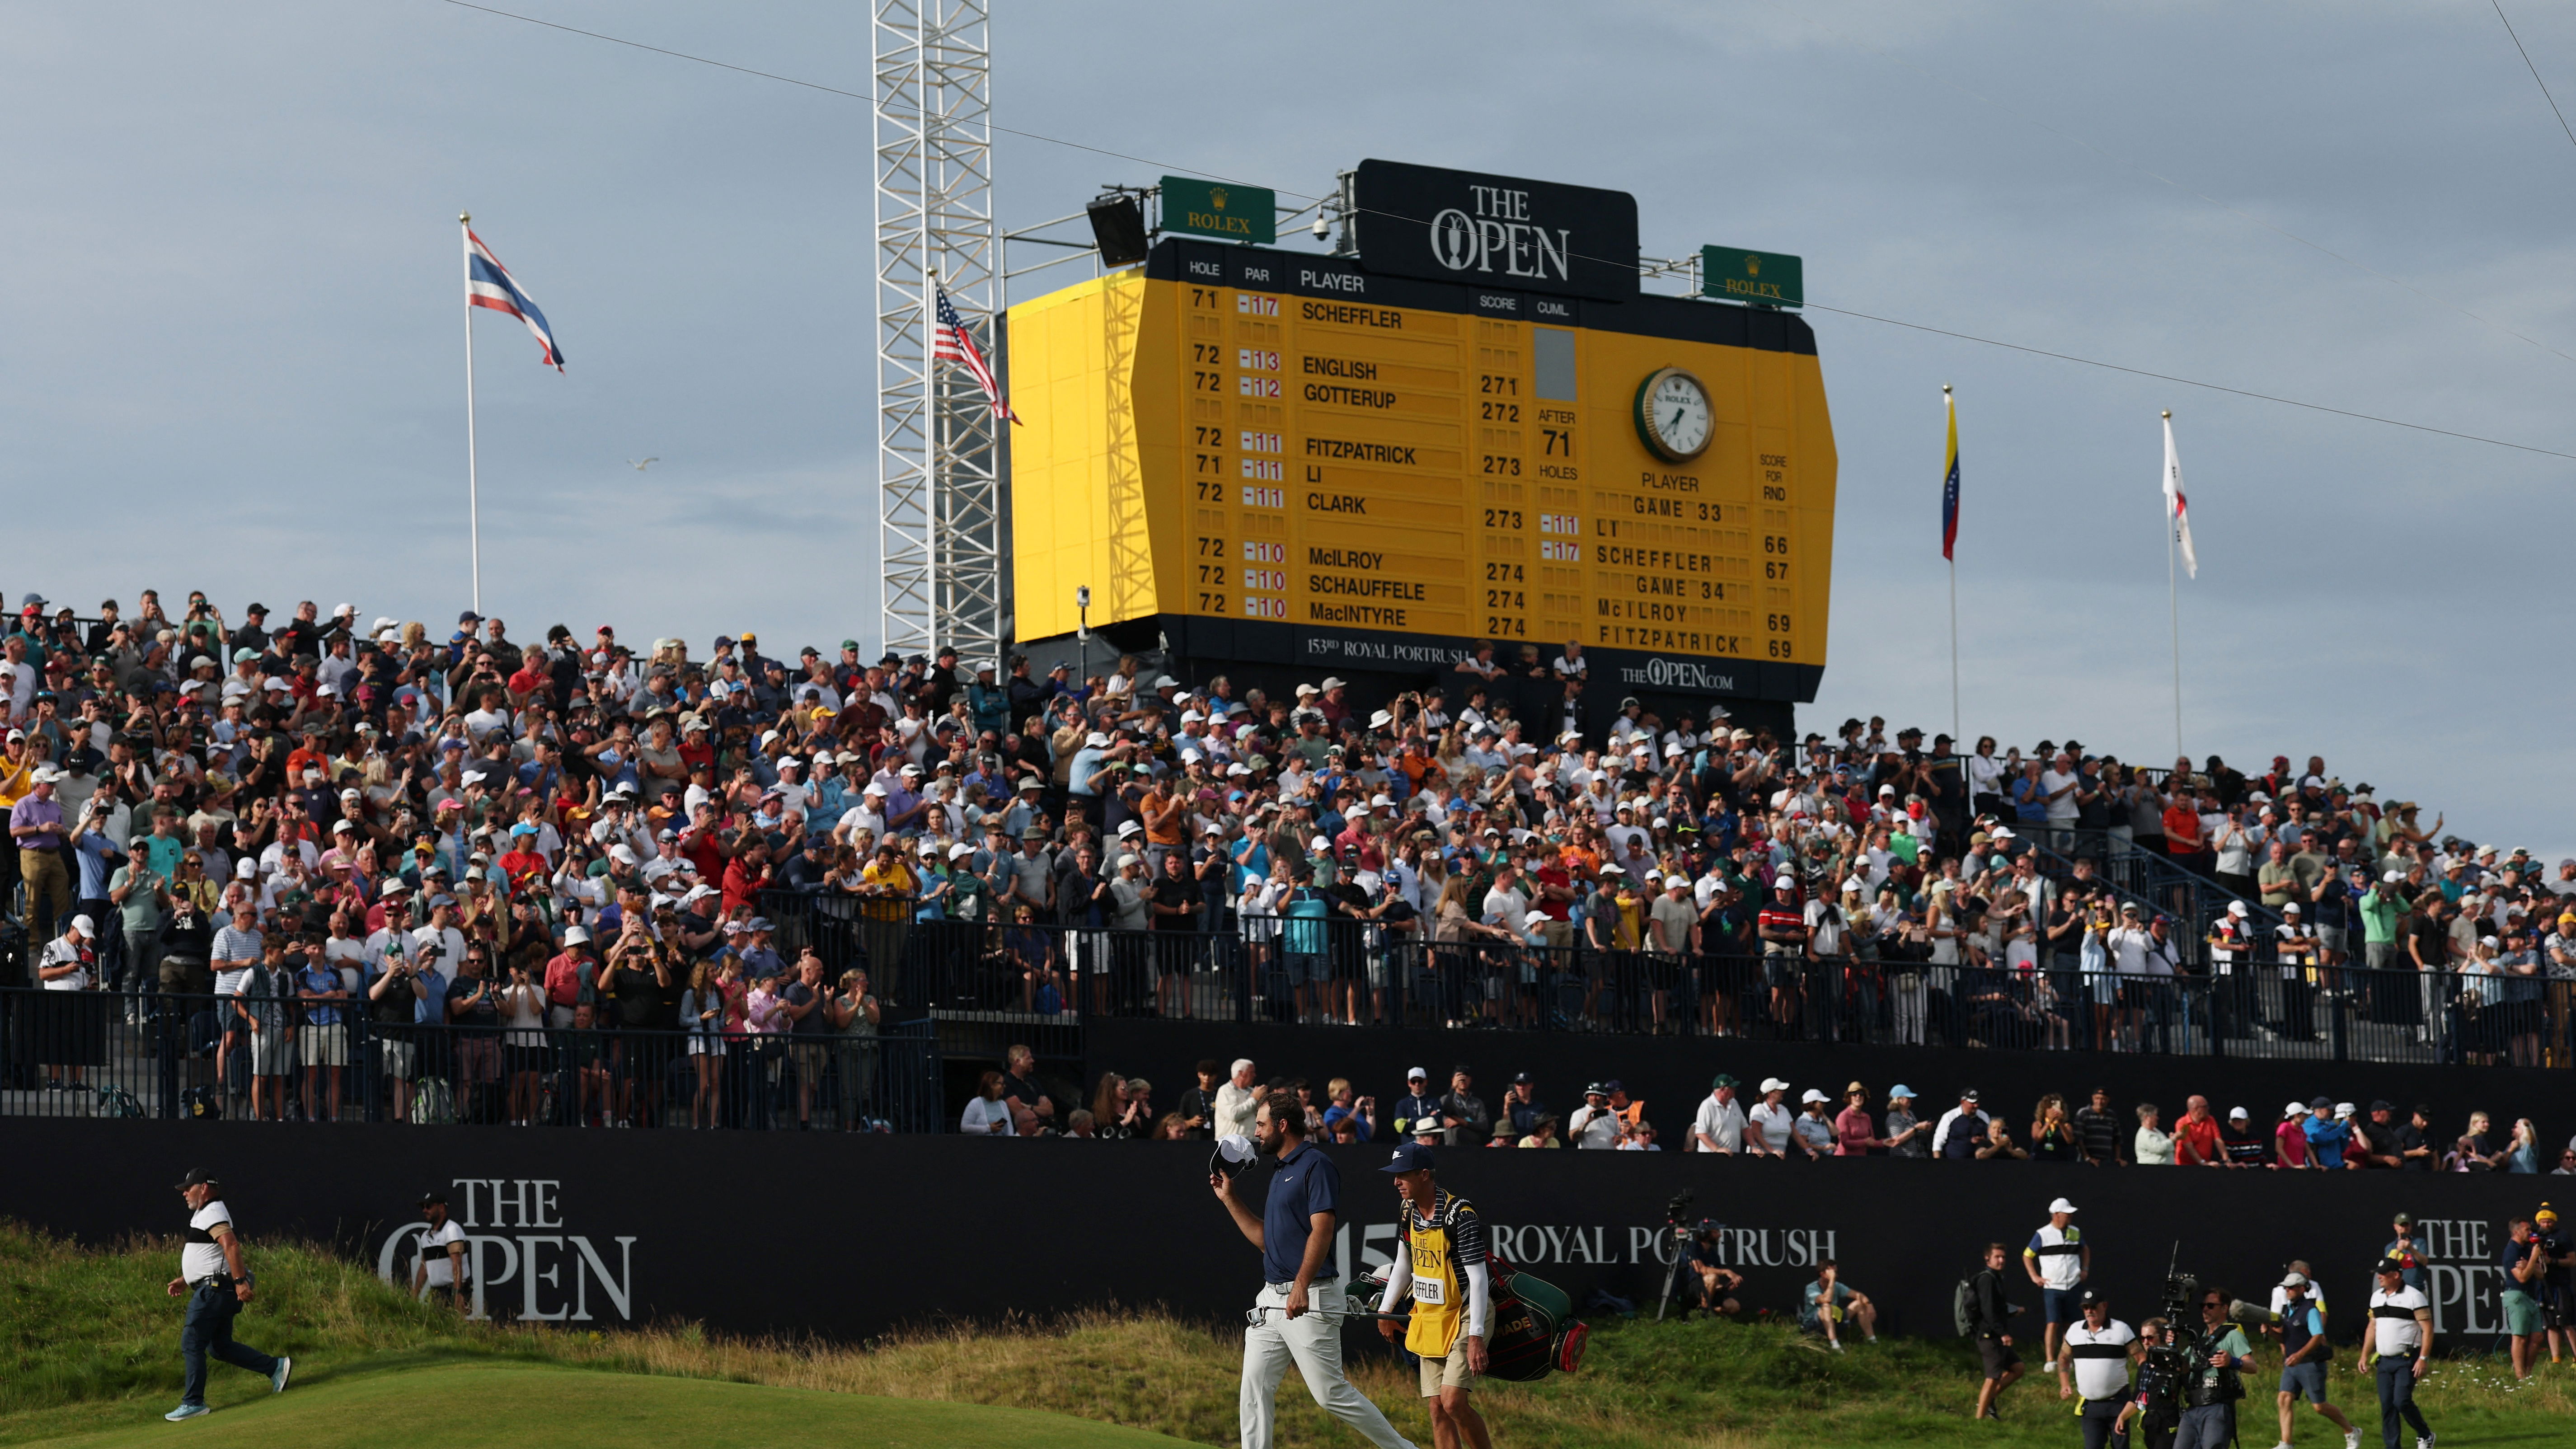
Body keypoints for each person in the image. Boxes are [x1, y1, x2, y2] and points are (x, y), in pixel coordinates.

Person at [1209, 1088, 1415, 1449]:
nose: (1255, 1132)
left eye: (1260, 1124)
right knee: (1255, 1388)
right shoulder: (1279, 1170)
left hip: (1311, 1296)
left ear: (1282, 1124)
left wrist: (1301, 1285)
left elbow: (1323, 1227)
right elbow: (1266, 1241)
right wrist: (1230, 1199)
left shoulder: (1315, 1164)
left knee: (1329, 1393)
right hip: (1272, 1299)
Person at [1375, 1141, 1492, 1449]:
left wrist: (1477, 1335)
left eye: (1402, 1175)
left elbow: (1479, 1279)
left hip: (1467, 1312)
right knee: (1437, 1408)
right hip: (1430, 1314)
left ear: (1424, 1174)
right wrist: (1385, 1311)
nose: (1395, 1182)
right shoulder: (1407, 1209)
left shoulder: (1460, 1214)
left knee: (1453, 1402)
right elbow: (1403, 1262)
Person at [164, 1168, 290, 1420]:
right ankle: (275, 1367)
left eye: (189, 1188)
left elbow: (230, 1244)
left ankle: (194, 1402)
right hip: (213, 1287)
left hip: (215, 1290)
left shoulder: (212, 1211)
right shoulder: (206, 1213)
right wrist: (185, 1278)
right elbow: (212, 1255)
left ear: (205, 1188)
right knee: (220, 1347)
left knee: (192, 1342)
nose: (185, 1193)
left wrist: (241, 1282)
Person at [2268, 1270, 2358, 1449]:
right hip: (2291, 1364)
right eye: (2286, 1288)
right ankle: (2286, 1443)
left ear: (2302, 1289)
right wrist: (2270, 1333)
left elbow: (2317, 1336)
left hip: (2310, 1363)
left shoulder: (2310, 1310)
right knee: (2284, 1398)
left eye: (2291, 1288)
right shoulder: (2287, 1311)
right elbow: (2284, 1338)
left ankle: (2351, 1431)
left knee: (2319, 1407)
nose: (2287, 1291)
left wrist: (2300, 1355)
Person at [2355, 1257, 2431, 1449]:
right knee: (2387, 1407)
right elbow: (2372, 1327)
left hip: (2407, 1359)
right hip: (2384, 1361)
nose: (2379, 1278)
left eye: (2383, 1274)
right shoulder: (2377, 1297)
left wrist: (2423, 1358)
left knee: (2402, 1402)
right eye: (2378, 1274)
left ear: (2396, 1275)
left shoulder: (2415, 1296)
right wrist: (2364, 1355)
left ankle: (2425, 1435)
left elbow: (2428, 1329)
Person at [2174, 1285, 2255, 1449]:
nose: (2205, 1310)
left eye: (2211, 1306)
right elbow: (2184, 1369)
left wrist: (2232, 1362)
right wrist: (2174, 1347)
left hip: (2216, 1405)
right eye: (2203, 1306)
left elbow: (2252, 1366)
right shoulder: (2200, 1340)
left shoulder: (2232, 1335)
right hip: (2193, 1406)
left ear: (2224, 1308)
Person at [2058, 1289, 2140, 1449]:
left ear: (2104, 1306)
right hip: (2091, 1406)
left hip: (2118, 1402)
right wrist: (2064, 1383)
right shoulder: (2075, 1330)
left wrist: (2141, 1387)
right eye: (2085, 1308)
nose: (2090, 1311)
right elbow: (2063, 1357)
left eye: (2093, 1307)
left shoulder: (2121, 1329)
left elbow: (2141, 1358)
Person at [2025, 1196, 2091, 1373]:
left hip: (2074, 1285)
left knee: (2072, 1324)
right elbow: (2027, 1255)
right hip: (2053, 1287)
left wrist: (2084, 1269)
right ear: (2055, 1215)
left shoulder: (2075, 1232)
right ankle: (2049, 1361)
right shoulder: (2042, 1234)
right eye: (2066, 1214)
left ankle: (2068, 1358)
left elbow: (2085, 1249)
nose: (2070, 1217)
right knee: (2053, 1323)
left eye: (2070, 1214)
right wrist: (2035, 1276)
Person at [1969, 1242, 2025, 1420]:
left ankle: (1990, 1400)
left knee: (2018, 1368)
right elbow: (1988, 1311)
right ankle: (1979, 1419)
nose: (2001, 1261)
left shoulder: (1997, 1278)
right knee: (1993, 1378)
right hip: (1989, 1337)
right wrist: (2003, 1334)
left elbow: (1997, 1308)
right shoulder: (1986, 1279)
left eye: (2003, 1257)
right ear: (1988, 1259)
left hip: (1996, 1336)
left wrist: (2014, 1312)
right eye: (1997, 1257)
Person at [2501, 1216, 2548, 1380]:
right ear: (2516, 1232)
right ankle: (2520, 1377)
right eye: (2527, 1230)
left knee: (2537, 1337)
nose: (2531, 1233)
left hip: (2531, 1297)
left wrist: (2529, 1263)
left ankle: (2527, 1374)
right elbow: (2522, 1278)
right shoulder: (2511, 1251)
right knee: (2520, 1337)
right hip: (2516, 1295)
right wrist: (2533, 1261)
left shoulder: (2528, 1249)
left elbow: (2541, 1274)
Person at [1672, 1219, 1743, 1318]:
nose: (1720, 1235)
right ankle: (1704, 1315)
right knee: (1712, 1278)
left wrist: (1724, 1287)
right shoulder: (1691, 1247)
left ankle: (1702, 1310)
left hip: (1706, 1290)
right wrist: (1726, 1272)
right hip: (1690, 1290)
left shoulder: (1714, 1255)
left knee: (1734, 1307)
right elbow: (1701, 1270)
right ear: (1705, 1233)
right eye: (1716, 1232)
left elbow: (1714, 1282)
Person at [1799, 1259, 1876, 1350]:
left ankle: (1873, 1341)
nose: (1835, 1274)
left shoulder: (1837, 1286)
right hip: (1814, 1327)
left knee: (1859, 1304)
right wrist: (1832, 1280)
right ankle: (1835, 1345)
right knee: (1827, 1306)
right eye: (1832, 1272)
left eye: (1835, 1272)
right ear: (1823, 1274)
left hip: (1834, 1321)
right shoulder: (1811, 1288)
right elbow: (1827, 1299)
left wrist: (1869, 1305)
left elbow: (1859, 1295)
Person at [410, 1190, 468, 1308]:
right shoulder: (426, 1236)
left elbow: (457, 1263)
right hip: (437, 1292)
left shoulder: (452, 1230)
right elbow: (424, 1266)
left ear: (441, 1208)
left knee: (455, 1326)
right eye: (423, 1207)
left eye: (429, 1207)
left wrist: (457, 1293)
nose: (425, 1210)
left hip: (453, 1289)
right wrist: (415, 1295)